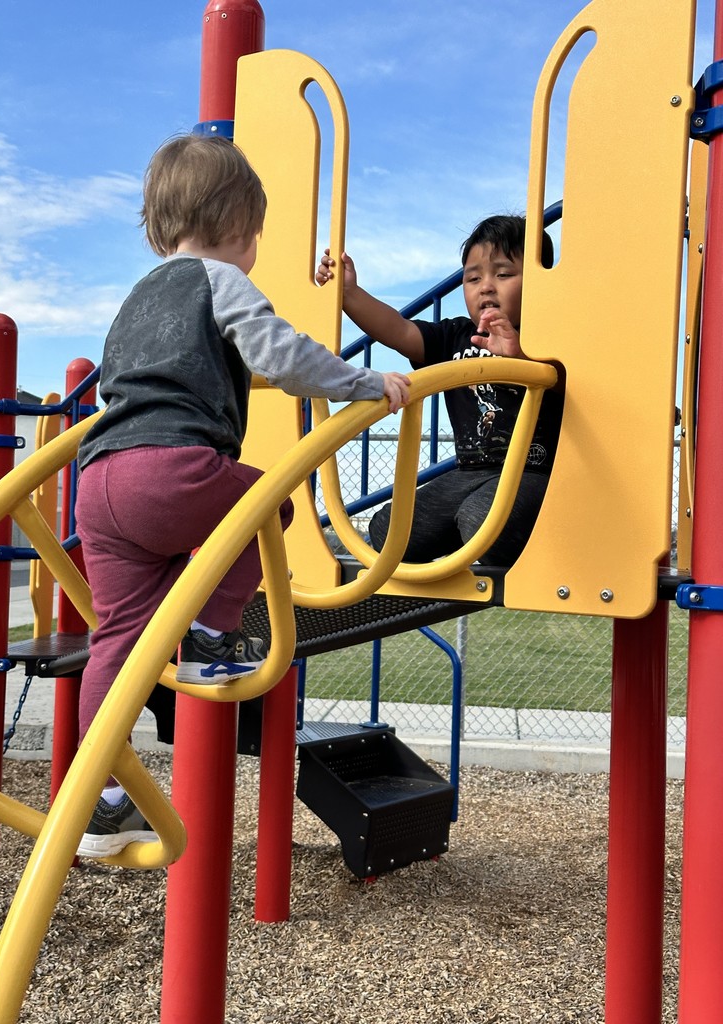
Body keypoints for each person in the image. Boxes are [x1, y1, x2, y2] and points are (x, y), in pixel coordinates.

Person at [74, 133, 410, 858]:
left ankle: (97, 803)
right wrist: (365, 384)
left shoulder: (137, 298)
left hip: (98, 481)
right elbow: (279, 354)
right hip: (169, 468)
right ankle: (209, 638)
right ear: (236, 226)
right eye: (256, 233)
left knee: (117, 641)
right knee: (268, 505)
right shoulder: (218, 279)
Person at [316, 214, 564, 565]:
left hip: (533, 474)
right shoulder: (455, 336)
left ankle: (491, 539)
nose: (486, 286)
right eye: (473, 278)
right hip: (469, 473)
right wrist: (350, 294)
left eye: (504, 274)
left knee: (480, 519)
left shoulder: (553, 340)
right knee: (388, 528)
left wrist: (521, 355)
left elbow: (583, 390)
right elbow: (399, 331)